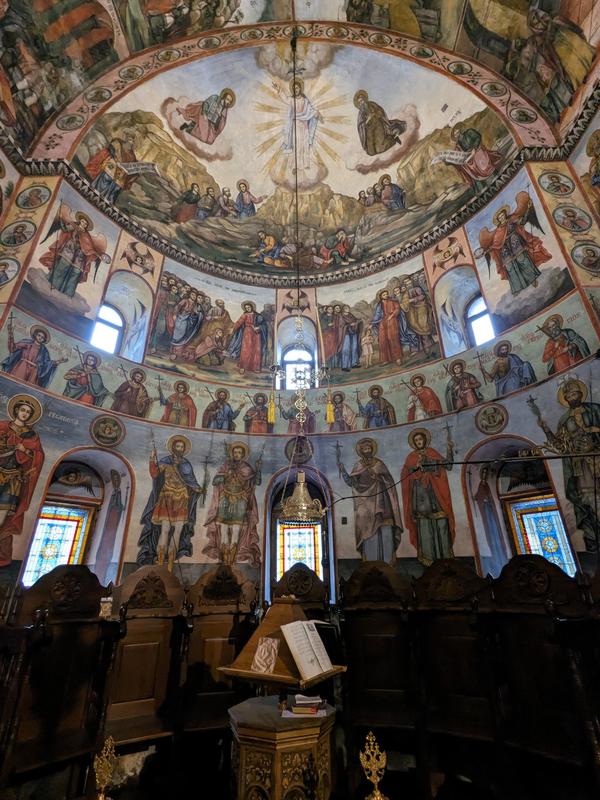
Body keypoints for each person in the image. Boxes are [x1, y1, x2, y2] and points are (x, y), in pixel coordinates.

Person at [538, 379, 600, 551]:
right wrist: (546, 430)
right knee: (588, 500)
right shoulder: (565, 420)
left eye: (574, 394)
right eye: (569, 395)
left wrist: (593, 431)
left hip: (596, 456)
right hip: (580, 466)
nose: (572, 397)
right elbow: (560, 446)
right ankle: (593, 535)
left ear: (581, 394)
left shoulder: (595, 410)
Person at [138, 435, 205, 566]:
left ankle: (170, 565)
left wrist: (198, 489)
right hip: (167, 497)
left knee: (178, 532)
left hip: (182, 498)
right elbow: (155, 474)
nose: (179, 449)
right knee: (165, 530)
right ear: (173, 448)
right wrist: (152, 458)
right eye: (177, 446)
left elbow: (191, 481)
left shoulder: (186, 464)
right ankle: (160, 562)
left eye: (182, 447)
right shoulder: (165, 461)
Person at [338, 438, 402, 563]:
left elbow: (389, 481)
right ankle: (371, 564)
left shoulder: (379, 464)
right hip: (366, 506)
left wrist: (378, 477)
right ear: (361, 451)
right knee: (368, 534)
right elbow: (352, 483)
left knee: (385, 531)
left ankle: (388, 564)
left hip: (382, 504)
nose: (367, 451)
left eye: (369, 448)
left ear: (372, 449)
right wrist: (344, 471)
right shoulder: (358, 465)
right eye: (364, 449)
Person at [0, 395, 45, 567]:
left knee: (3, 519)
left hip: (12, 479)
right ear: (16, 410)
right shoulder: (3, 426)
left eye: (28, 412)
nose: (25, 414)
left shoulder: (31, 435)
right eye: (23, 410)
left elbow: (38, 456)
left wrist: (23, 449)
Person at [478, 192, 551, 295]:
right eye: (500, 218)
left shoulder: (512, 221)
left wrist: (528, 210)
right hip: (505, 251)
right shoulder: (498, 231)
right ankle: (517, 288)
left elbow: (522, 221)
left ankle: (533, 279)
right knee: (510, 267)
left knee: (523, 260)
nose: (502, 218)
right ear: (498, 220)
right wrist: (489, 249)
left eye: (502, 216)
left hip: (516, 244)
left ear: (505, 215)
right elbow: (496, 243)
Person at [401, 428, 455, 566]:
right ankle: (428, 559)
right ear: (414, 442)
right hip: (420, 498)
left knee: (441, 523)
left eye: (421, 439)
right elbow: (407, 475)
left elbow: (448, 465)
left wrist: (449, 450)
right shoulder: (411, 458)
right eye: (417, 440)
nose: (419, 442)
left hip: (436, 496)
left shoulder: (432, 453)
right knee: (424, 527)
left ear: (425, 440)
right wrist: (415, 469)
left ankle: (446, 558)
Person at [202, 442, 261, 566]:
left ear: (243, 455)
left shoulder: (246, 468)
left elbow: (257, 481)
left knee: (236, 530)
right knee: (223, 529)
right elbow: (215, 481)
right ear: (232, 453)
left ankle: (232, 560)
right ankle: (223, 559)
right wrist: (225, 475)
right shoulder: (226, 466)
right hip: (225, 499)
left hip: (241, 500)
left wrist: (258, 469)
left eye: (239, 453)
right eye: (235, 452)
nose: (237, 455)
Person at [40, 208, 111, 298]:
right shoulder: (73, 226)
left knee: (75, 273)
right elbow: (65, 229)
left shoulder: (86, 235)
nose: (84, 224)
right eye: (82, 222)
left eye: (85, 223)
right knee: (62, 267)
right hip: (69, 250)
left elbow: (89, 247)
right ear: (79, 221)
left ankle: (67, 294)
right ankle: (52, 284)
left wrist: (97, 255)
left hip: (79, 257)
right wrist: (61, 220)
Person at [2, 323, 66, 387]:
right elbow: (13, 348)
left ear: (44, 340)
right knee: (14, 384)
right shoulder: (27, 343)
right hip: (22, 366)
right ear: (35, 334)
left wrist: (58, 361)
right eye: (39, 335)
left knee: (27, 388)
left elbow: (46, 363)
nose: (40, 338)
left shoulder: (44, 351)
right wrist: (10, 334)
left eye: (42, 337)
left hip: (34, 372)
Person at [473, 466, 510, 576]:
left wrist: (485, 500)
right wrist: (479, 498)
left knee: (494, 532)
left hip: (490, 512)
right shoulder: (481, 485)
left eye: (486, 473)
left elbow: (489, 498)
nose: (484, 475)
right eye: (483, 473)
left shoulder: (487, 485)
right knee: (490, 533)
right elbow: (480, 497)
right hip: (486, 513)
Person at [278, 78, 321, 170]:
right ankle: (295, 165)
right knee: (297, 144)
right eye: (294, 88)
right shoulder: (291, 99)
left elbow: (310, 110)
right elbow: (285, 99)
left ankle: (306, 164)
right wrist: (279, 91)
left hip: (304, 124)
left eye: (297, 88)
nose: (295, 90)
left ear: (300, 88)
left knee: (305, 144)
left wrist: (315, 113)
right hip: (296, 124)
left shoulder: (305, 100)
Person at [447, 125, 502, 192]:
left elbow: (478, 137)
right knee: (465, 165)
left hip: (477, 149)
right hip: (470, 156)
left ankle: (492, 174)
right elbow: (457, 153)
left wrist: (474, 148)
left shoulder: (469, 132)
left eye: (457, 131)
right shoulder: (458, 144)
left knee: (478, 158)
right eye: (455, 134)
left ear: (460, 130)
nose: (457, 134)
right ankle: (479, 181)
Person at [93, 470, 125, 584]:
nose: (116, 482)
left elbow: (119, 506)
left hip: (113, 523)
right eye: (114, 480)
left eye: (117, 480)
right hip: (108, 528)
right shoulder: (112, 495)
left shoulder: (119, 494)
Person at [353, 90, 406, 156]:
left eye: (362, 100)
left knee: (379, 149)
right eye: (360, 102)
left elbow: (380, 111)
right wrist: (366, 122)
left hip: (378, 125)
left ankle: (392, 138)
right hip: (369, 131)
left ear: (365, 99)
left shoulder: (372, 104)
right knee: (371, 152)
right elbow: (360, 125)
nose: (362, 102)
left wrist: (374, 114)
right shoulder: (361, 113)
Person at [227, 301, 269, 374]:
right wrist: (233, 329)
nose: (248, 309)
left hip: (256, 334)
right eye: (246, 308)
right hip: (248, 333)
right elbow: (238, 323)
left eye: (249, 307)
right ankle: (243, 367)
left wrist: (259, 327)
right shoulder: (245, 315)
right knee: (246, 350)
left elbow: (264, 324)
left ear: (252, 307)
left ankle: (255, 367)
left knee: (256, 350)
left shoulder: (258, 315)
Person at [371, 289, 403, 365]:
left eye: (386, 294)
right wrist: (372, 323)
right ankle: (385, 359)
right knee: (383, 340)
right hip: (383, 322)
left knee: (393, 338)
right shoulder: (379, 305)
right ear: (381, 297)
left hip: (392, 321)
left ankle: (398, 358)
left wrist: (392, 315)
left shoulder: (393, 301)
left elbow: (397, 309)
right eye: (384, 295)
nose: (386, 295)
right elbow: (377, 315)